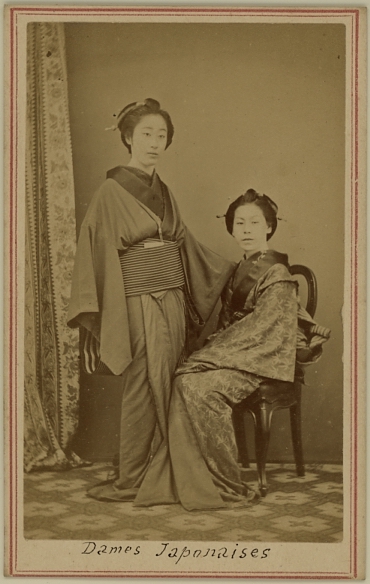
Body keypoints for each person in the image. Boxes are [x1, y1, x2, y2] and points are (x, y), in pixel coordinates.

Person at [113, 188, 330, 511]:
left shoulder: (279, 275)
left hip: (261, 362)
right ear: (231, 228)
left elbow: (266, 332)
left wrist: (208, 357)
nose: (245, 230)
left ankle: (224, 479)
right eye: (239, 223)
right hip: (238, 356)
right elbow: (230, 326)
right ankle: (195, 473)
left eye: (254, 223)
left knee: (199, 388)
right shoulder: (239, 268)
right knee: (186, 381)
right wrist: (209, 354)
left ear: (269, 227)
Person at [67, 98, 234, 502]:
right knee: (143, 381)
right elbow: (99, 253)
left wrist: (236, 271)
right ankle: (136, 472)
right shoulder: (111, 190)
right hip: (138, 298)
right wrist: (114, 310)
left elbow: (184, 244)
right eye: (146, 134)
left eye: (162, 135)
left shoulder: (165, 191)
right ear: (127, 137)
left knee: (170, 374)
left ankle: (160, 461)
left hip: (172, 297)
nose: (154, 143)